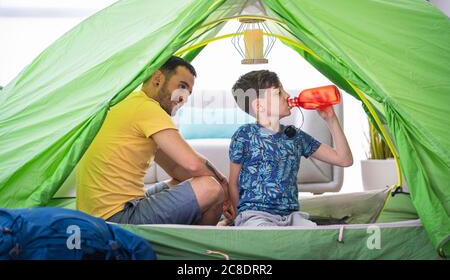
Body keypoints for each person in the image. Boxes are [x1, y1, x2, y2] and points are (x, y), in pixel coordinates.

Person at [76, 56, 234, 225]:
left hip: (97, 215)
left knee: (183, 182)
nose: (184, 98)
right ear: (157, 79)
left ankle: (202, 228)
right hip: (117, 218)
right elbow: (193, 164)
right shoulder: (148, 108)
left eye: (188, 93)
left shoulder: (130, 103)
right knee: (211, 187)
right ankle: (200, 245)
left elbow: (175, 169)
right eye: (182, 86)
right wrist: (224, 186)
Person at [224, 70, 353, 227]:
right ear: (259, 105)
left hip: (291, 216)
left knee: (314, 235)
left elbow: (344, 159)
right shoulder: (244, 135)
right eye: (278, 92)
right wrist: (239, 218)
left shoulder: (295, 136)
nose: (287, 95)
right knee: (266, 234)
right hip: (255, 214)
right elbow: (233, 182)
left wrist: (331, 119)